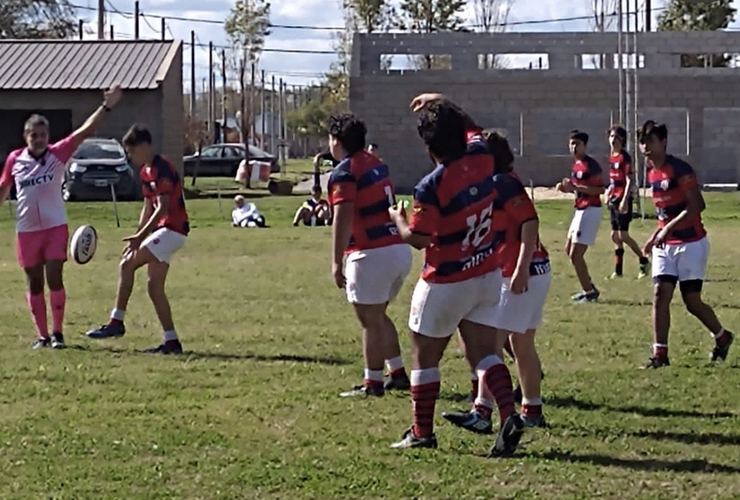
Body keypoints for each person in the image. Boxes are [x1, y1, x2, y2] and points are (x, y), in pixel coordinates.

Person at [388, 94, 523, 457]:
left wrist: (398, 219)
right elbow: (472, 125)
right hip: (486, 272)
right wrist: (444, 101)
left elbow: (418, 239)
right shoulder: (482, 156)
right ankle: (509, 415)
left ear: (429, 145)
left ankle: (421, 432)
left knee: (424, 357)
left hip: (447, 280)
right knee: (483, 354)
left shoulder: (430, 186)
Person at [0, 85, 123, 350]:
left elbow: (85, 131)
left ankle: (57, 334)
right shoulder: (15, 160)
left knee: (54, 275)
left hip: (55, 227)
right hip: (27, 230)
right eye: (34, 135)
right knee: (34, 282)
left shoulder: (58, 154)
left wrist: (107, 106)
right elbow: (4, 187)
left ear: (48, 136)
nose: (39, 139)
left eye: (43, 135)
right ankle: (42, 336)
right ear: (26, 137)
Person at [443, 131, 550, 434]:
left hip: (523, 271)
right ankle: (532, 408)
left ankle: (483, 412)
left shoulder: (502, 182)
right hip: (533, 269)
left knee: (490, 343)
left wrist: (520, 268)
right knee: (520, 343)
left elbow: (529, 222)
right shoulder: (497, 181)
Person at [327, 114, 413, 397]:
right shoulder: (377, 164)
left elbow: (342, 216)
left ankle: (372, 382)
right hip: (398, 248)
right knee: (377, 315)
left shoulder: (345, 171)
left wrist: (336, 260)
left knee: (369, 320)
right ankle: (397, 372)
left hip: (370, 252)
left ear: (337, 142)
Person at [86, 125, 190, 354]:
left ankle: (116, 322)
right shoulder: (145, 171)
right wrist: (137, 236)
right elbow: (148, 207)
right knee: (154, 288)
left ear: (144, 146)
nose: (130, 157)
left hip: (173, 231)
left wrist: (140, 238)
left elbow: (162, 208)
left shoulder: (162, 168)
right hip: (163, 233)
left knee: (127, 265)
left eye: (132, 152)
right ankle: (172, 341)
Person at [638, 120, 733, 368]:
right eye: (641, 142)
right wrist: (655, 235)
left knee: (692, 301)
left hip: (691, 242)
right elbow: (664, 214)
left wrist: (668, 229)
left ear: (663, 142)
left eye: (650, 141)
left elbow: (697, 205)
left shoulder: (680, 169)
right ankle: (660, 354)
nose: (645, 146)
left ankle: (722, 336)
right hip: (666, 245)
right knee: (660, 294)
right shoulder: (651, 171)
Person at [557, 130, 605, 303]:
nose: (573, 147)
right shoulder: (576, 165)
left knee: (576, 254)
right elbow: (577, 187)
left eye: (577, 144)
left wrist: (575, 188)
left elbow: (600, 189)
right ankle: (589, 287)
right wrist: (567, 189)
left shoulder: (591, 165)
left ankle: (589, 292)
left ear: (585, 146)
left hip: (590, 210)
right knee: (569, 250)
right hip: (579, 209)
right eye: (571, 144)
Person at [606, 125, 650, 279]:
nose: (613, 140)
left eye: (616, 138)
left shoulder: (625, 157)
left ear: (622, 140)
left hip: (623, 199)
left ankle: (644, 260)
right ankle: (618, 271)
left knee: (623, 235)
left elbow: (629, 179)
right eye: (611, 137)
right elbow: (613, 180)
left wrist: (625, 199)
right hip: (614, 198)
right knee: (614, 236)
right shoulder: (612, 156)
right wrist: (608, 192)